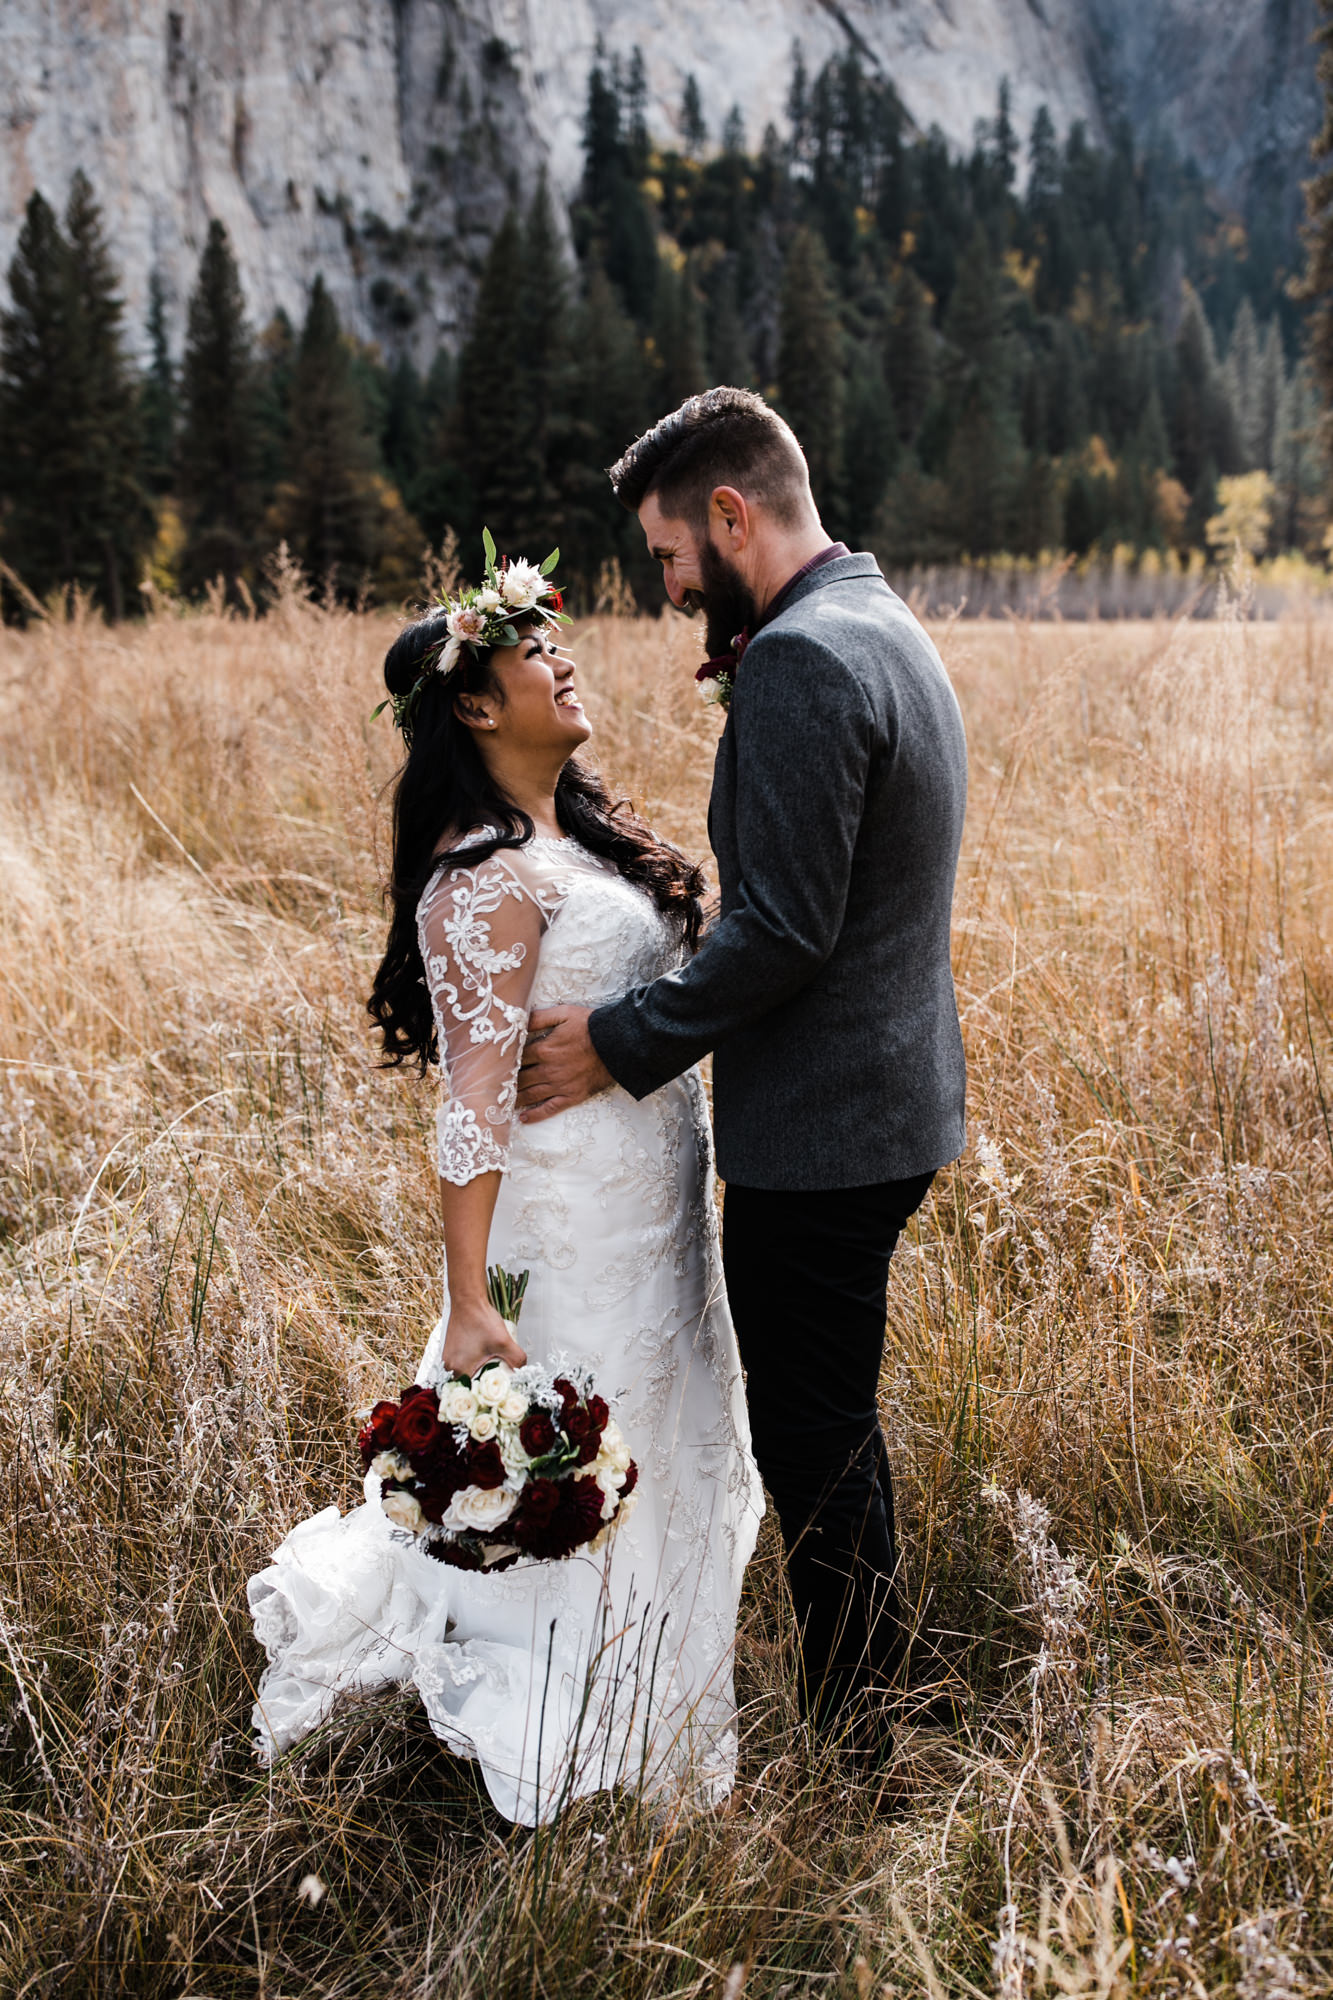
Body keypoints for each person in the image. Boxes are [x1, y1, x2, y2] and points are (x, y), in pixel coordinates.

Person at [246, 549, 762, 1825]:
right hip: (569, 1226)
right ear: (475, 702)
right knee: (578, 1466)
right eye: (532, 648)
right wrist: (468, 1299)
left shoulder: (572, 838)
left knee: (677, 1456)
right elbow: (470, 1098)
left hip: (659, 1218)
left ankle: (658, 1728)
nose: (562, 656)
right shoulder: (481, 874)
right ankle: (559, 1745)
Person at [517, 388, 968, 1768]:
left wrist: (620, 1036)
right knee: (834, 1425)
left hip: (824, 1134)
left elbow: (783, 930)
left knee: (814, 1443)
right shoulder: (877, 622)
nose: (664, 590)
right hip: (888, 1103)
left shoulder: (802, 665)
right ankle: (889, 1696)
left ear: (730, 514)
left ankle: (867, 1742)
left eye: (667, 556)